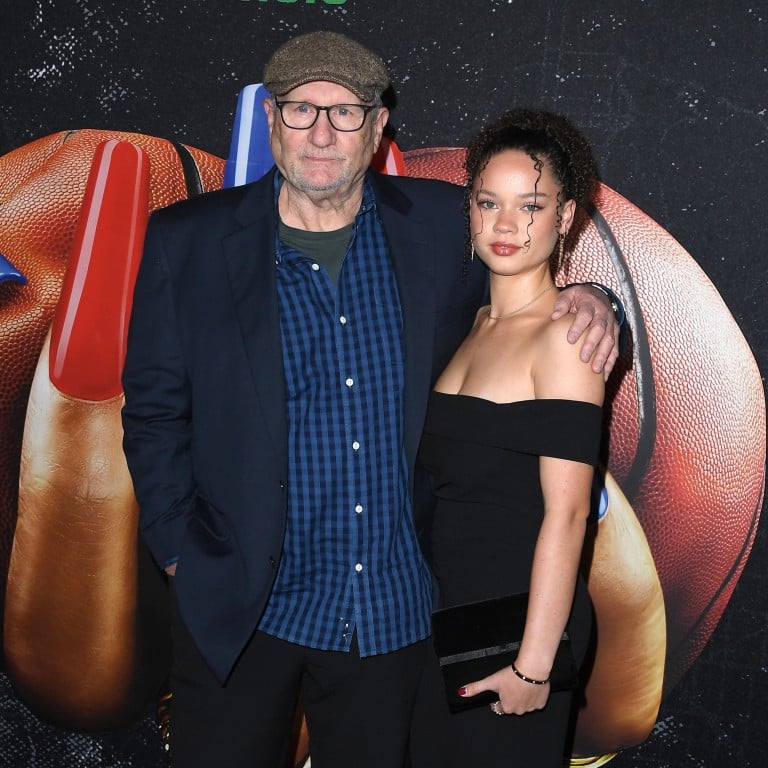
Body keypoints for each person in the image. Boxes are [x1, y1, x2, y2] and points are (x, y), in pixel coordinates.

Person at [120, 31, 619, 768]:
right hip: (242, 610)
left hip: (390, 620)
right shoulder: (186, 241)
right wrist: (176, 553)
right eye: (301, 109)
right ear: (271, 120)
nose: (322, 133)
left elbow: (525, 270)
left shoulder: (441, 228)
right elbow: (154, 411)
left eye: (346, 112)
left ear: (379, 124)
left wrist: (596, 298)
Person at [411, 109, 608, 767]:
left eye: (531, 206)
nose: (504, 225)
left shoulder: (566, 339)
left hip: (521, 627)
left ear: (565, 216)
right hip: (447, 613)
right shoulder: (470, 325)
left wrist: (534, 664)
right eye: (488, 201)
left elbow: (569, 513)